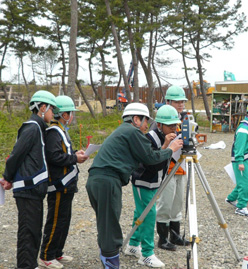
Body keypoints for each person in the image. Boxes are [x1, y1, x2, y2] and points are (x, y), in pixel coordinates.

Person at [86, 103, 183, 269]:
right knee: (110, 226)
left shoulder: (124, 131)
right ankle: (111, 263)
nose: (147, 126)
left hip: (99, 180)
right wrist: (171, 149)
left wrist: (166, 147)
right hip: (107, 180)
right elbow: (151, 158)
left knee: (106, 223)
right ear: (136, 119)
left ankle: (112, 255)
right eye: (146, 121)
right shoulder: (133, 132)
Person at [0, 90, 57, 269]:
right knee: (28, 232)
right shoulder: (32, 127)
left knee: (33, 231)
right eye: (51, 109)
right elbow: (16, 155)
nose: (53, 114)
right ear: (42, 107)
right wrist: (7, 177)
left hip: (34, 189)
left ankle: (30, 264)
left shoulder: (39, 128)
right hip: (27, 189)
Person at [124, 105, 181, 268]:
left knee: (140, 213)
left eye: (175, 125)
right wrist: (168, 148)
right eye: (170, 126)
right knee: (148, 215)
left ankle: (133, 245)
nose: (174, 129)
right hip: (144, 181)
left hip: (154, 182)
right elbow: (151, 163)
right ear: (160, 125)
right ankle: (147, 254)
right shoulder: (149, 138)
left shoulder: (167, 137)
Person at [38, 95, 89, 269]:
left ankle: (57, 252)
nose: (73, 116)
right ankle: (46, 255)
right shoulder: (53, 132)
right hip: (58, 184)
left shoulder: (60, 130)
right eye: (71, 113)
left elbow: (63, 152)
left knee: (65, 220)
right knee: (56, 220)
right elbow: (54, 157)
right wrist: (74, 158)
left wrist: (76, 153)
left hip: (67, 184)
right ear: (64, 115)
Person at [155, 85, 190, 251]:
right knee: (166, 204)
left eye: (182, 101)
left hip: (181, 167)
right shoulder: (160, 123)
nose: (181, 104)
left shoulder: (185, 119)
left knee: (177, 203)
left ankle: (174, 236)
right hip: (167, 169)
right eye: (177, 101)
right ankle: (162, 239)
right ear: (168, 101)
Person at [225, 100, 248, 217]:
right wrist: (240, 161)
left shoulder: (247, 126)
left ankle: (231, 198)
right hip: (241, 160)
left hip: (245, 159)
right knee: (245, 184)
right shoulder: (244, 128)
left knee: (243, 182)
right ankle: (241, 207)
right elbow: (239, 147)